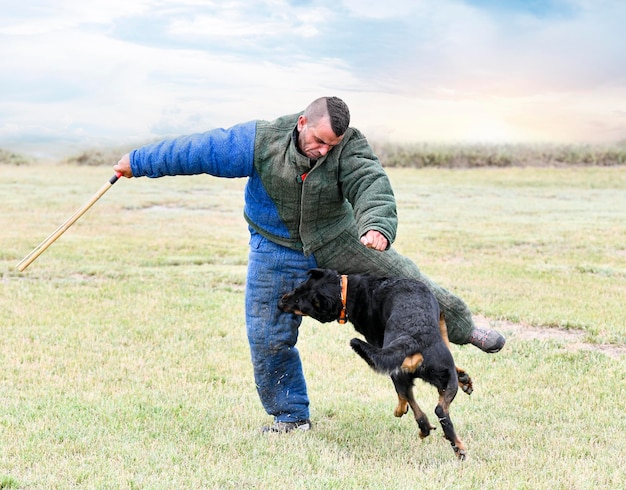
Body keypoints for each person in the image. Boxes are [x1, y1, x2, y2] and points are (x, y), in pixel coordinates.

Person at [114, 96, 505, 433]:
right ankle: (291, 417)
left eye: (330, 145)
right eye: (318, 140)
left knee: (409, 281)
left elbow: (370, 181)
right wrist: (138, 161)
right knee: (267, 334)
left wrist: (377, 226)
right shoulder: (260, 140)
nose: (322, 150)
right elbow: (199, 150)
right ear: (302, 123)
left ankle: (466, 329)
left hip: (339, 238)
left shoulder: (347, 146)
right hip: (275, 245)